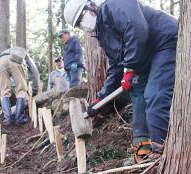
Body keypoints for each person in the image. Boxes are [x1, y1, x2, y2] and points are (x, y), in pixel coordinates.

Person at [64, 0, 178, 163]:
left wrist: (130, 68)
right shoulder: (103, 34)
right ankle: (142, 148)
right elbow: (116, 66)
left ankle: (161, 148)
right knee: (137, 93)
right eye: (79, 25)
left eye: (82, 19)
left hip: (164, 42)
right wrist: (100, 100)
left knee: (155, 93)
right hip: (143, 57)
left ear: (90, 7)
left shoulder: (114, 5)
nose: (84, 26)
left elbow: (138, 30)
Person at [0, 46, 40, 126]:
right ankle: (19, 118)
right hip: (16, 60)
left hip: (1, 62)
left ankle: (7, 119)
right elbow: (35, 72)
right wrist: (35, 90)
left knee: (4, 91)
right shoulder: (23, 54)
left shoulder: (1, 56)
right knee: (21, 90)